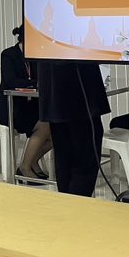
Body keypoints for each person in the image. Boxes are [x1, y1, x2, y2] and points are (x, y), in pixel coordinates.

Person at [0, 24, 52, 180]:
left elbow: (41, 77)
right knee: (45, 125)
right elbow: (11, 81)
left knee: (58, 126)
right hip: (10, 107)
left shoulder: (35, 56)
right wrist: (34, 83)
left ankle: (32, 161)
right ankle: (25, 167)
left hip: (29, 105)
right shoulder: (9, 55)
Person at [37, 61, 110, 196]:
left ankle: (68, 203)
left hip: (54, 94)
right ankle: (77, 203)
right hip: (79, 93)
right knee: (82, 157)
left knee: (64, 156)